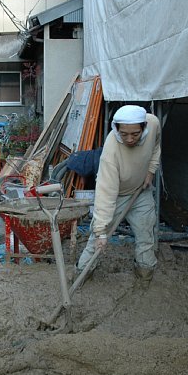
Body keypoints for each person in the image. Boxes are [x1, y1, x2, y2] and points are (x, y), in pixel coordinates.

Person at [76, 104, 161, 287]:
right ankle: (82, 274)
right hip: (117, 195)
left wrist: (151, 170)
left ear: (143, 127)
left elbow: (155, 145)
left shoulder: (153, 123)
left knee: (146, 233)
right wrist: (101, 232)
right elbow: (105, 193)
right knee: (96, 240)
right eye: (124, 134)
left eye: (135, 134)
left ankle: (145, 273)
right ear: (116, 128)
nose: (129, 139)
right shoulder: (111, 150)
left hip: (140, 191)